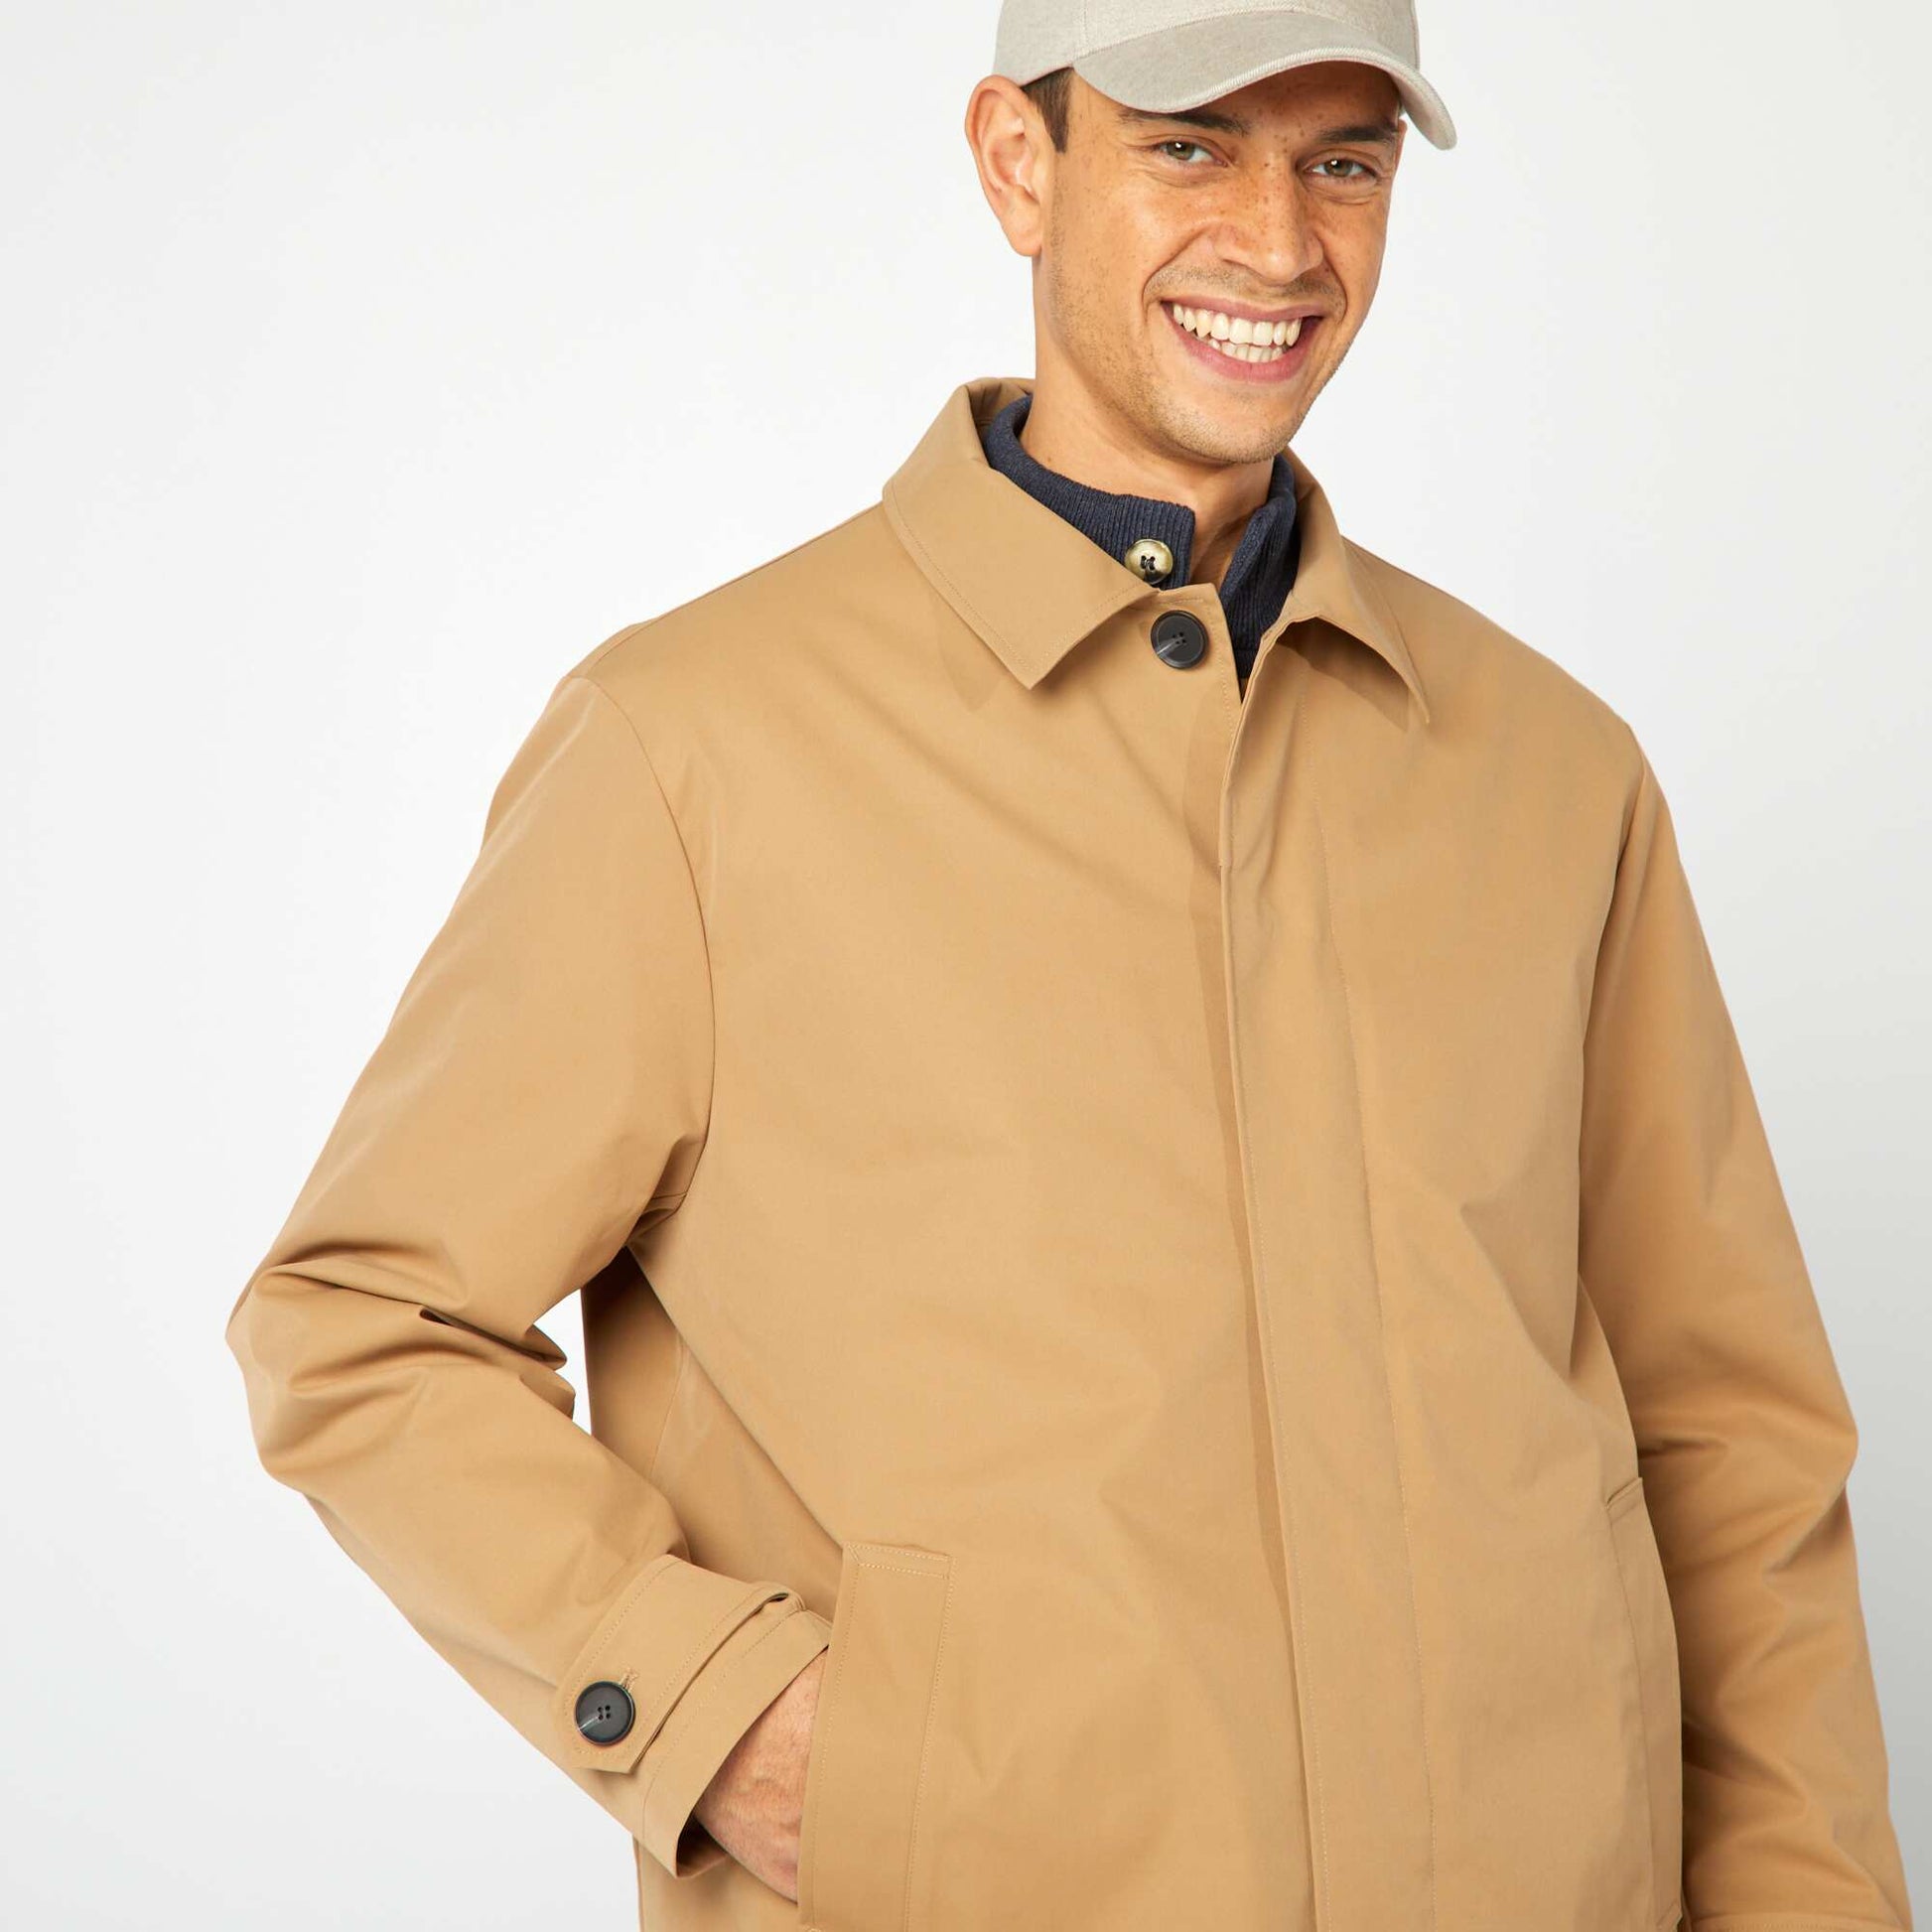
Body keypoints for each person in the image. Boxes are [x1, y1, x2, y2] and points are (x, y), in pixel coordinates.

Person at [223, 3, 1915, 1928]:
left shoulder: (1545, 767)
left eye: (1343, 160)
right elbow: (362, 1321)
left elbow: (1727, 1435)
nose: (1278, 241)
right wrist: (710, 1713)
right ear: (1015, 165)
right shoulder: (696, 747)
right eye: (1190, 143)